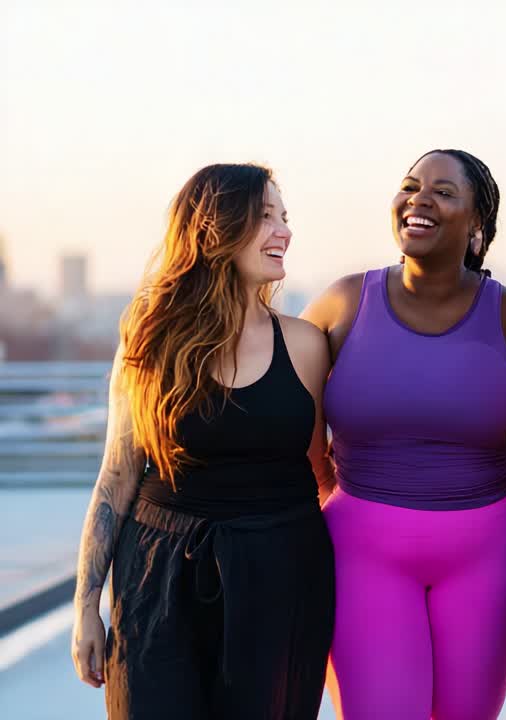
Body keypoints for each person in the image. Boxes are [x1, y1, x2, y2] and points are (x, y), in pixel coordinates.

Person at [70, 164, 335, 719]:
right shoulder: (149, 337)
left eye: (285, 218)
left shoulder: (307, 346)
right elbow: (117, 475)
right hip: (157, 574)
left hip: (279, 571)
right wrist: (86, 607)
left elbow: (321, 470)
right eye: (265, 217)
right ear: (215, 226)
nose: (284, 231)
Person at [301, 149, 506, 720]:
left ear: (477, 225)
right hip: (363, 549)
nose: (420, 199)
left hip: (490, 552)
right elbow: (297, 424)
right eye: (410, 186)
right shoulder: (342, 302)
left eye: (444, 192)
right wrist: (338, 490)